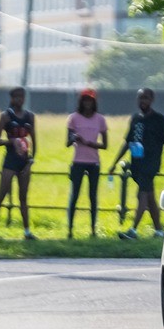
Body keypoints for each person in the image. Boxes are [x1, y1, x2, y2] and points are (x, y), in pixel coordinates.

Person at [109, 87, 164, 238]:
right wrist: (114, 163)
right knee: (150, 197)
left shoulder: (159, 120)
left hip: (150, 163)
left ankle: (133, 230)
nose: (142, 101)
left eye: (145, 98)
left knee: (142, 195)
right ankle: (159, 230)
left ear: (152, 100)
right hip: (137, 164)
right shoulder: (135, 119)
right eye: (140, 98)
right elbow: (127, 142)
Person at [0, 86, 37, 239]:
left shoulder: (30, 117)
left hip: (24, 161)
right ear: (11, 98)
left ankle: (27, 232)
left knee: (23, 198)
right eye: (16, 97)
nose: (19, 100)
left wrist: (30, 162)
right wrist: (12, 141)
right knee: (1, 195)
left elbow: (34, 141)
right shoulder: (5, 116)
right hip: (10, 161)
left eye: (22, 96)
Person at [65, 88, 110, 238]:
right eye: (85, 100)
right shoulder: (73, 118)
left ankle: (93, 229)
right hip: (78, 161)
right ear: (81, 102)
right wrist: (74, 138)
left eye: (90, 101)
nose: (87, 103)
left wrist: (88, 143)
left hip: (93, 162)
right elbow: (67, 142)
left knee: (93, 196)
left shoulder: (100, 119)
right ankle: (70, 229)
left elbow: (105, 145)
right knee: (74, 195)